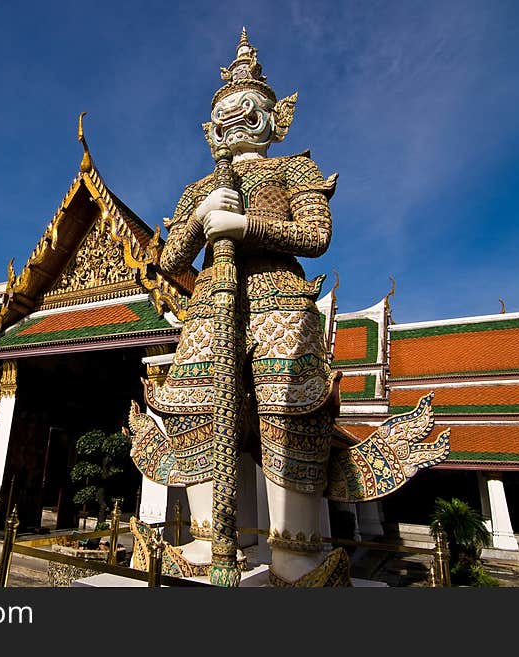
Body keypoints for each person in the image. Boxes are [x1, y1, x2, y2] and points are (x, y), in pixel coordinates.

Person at [142, 30, 345, 586]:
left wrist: (245, 225)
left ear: (273, 119)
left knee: (289, 410)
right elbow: (169, 259)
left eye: (246, 108)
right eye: (224, 112)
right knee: (197, 409)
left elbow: (314, 234)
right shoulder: (200, 186)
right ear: (212, 128)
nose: (235, 116)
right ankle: (209, 537)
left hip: (277, 296)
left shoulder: (292, 170)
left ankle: (294, 549)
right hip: (211, 303)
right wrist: (203, 213)